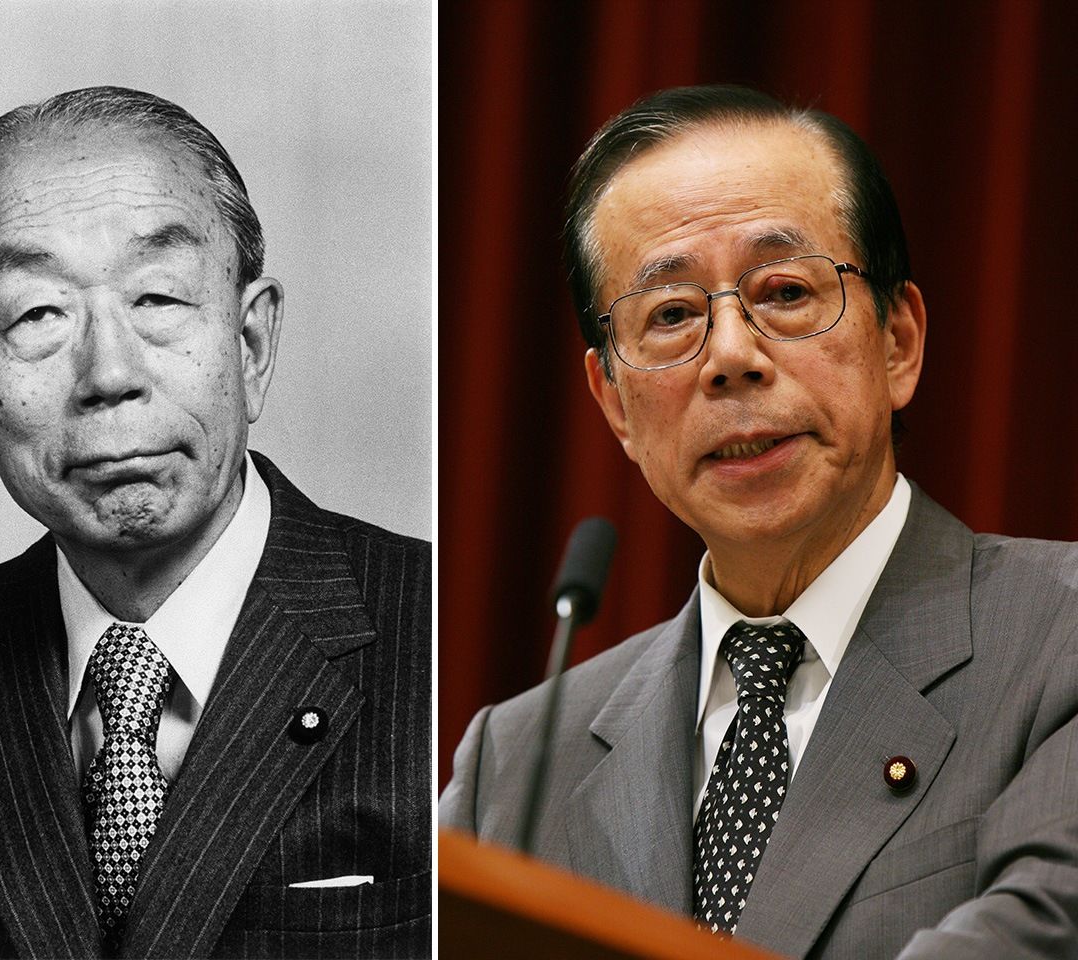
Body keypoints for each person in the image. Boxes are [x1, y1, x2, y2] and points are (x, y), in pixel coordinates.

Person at [438, 84, 1077, 959]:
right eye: (670, 315)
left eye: (784, 291)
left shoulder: (1058, 640)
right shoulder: (512, 767)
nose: (732, 357)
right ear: (616, 406)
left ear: (898, 343)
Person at [0, 86, 429, 959]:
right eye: (38, 316)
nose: (110, 373)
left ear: (251, 345)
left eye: (159, 299)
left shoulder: (439, 641)